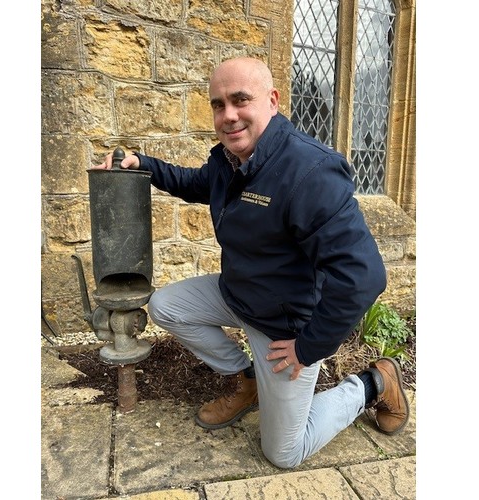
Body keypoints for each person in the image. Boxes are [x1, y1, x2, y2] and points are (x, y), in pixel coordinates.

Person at [94, 57, 409, 469]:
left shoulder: (310, 171)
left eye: (240, 100)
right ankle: (247, 380)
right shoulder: (229, 161)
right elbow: (195, 183)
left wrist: (307, 347)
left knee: (283, 453)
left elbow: (363, 277)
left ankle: (373, 383)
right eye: (218, 104)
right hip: (239, 295)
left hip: (284, 326)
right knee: (166, 305)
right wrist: (144, 164)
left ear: (272, 100)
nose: (228, 115)